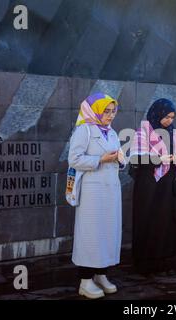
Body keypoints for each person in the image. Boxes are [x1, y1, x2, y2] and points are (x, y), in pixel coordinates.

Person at [68, 93, 125, 299]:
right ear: (95, 110)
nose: (110, 116)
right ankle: (85, 281)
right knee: (91, 235)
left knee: (108, 232)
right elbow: (74, 159)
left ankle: (102, 274)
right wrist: (100, 159)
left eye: (113, 111)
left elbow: (119, 155)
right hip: (92, 191)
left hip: (111, 190)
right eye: (106, 111)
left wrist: (120, 159)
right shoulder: (84, 130)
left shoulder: (112, 132)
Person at [129, 98, 176, 274]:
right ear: (157, 114)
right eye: (166, 116)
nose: (169, 120)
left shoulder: (172, 133)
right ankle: (145, 260)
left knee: (165, 220)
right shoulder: (143, 132)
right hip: (148, 183)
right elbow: (136, 158)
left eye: (172, 117)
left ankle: (163, 257)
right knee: (148, 219)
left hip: (166, 182)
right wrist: (159, 159)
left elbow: (175, 154)